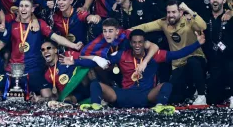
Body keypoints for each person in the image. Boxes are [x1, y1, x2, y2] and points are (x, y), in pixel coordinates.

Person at [63, 29, 205, 112]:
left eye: (140, 42)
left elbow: (177, 54)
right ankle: (96, 105)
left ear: (144, 43)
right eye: (134, 42)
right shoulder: (121, 55)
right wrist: (75, 60)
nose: (137, 45)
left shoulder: (155, 56)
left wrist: (197, 43)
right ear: (130, 43)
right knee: (95, 84)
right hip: (122, 95)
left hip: (146, 95)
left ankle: (160, 106)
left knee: (167, 86)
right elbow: (102, 63)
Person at [0, 0, 83, 99]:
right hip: (13, 69)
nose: (23, 9)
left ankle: (28, 96)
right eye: (21, 6)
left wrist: (73, 45)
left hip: (33, 69)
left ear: (32, 9)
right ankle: (17, 97)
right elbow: (0, 45)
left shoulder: (40, 24)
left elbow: (56, 37)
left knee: (47, 95)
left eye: (26, 6)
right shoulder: (12, 25)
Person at [131, 0, 208, 105]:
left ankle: (201, 95)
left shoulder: (188, 20)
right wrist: (126, 31)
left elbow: (203, 26)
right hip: (178, 65)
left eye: (173, 12)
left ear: (180, 13)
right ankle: (190, 92)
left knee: (192, 61)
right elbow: (146, 27)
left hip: (196, 59)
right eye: (168, 12)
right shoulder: (163, 23)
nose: (171, 15)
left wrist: (188, 10)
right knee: (173, 97)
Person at [202, 0, 233, 107]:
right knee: (213, 99)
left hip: (228, 59)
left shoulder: (229, 18)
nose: (215, 0)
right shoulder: (205, 17)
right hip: (212, 62)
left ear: (224, 0)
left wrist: (230, 12)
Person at [41, 40, 91, 104]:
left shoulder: (67, 55)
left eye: (48, 48)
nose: (45, 51)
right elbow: (56, 96)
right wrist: (42, 98)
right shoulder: (47, 74)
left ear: (55, 50)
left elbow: (85, 58)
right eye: (43, 50)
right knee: (66, 100)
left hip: (82, 86)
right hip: (69, 94)